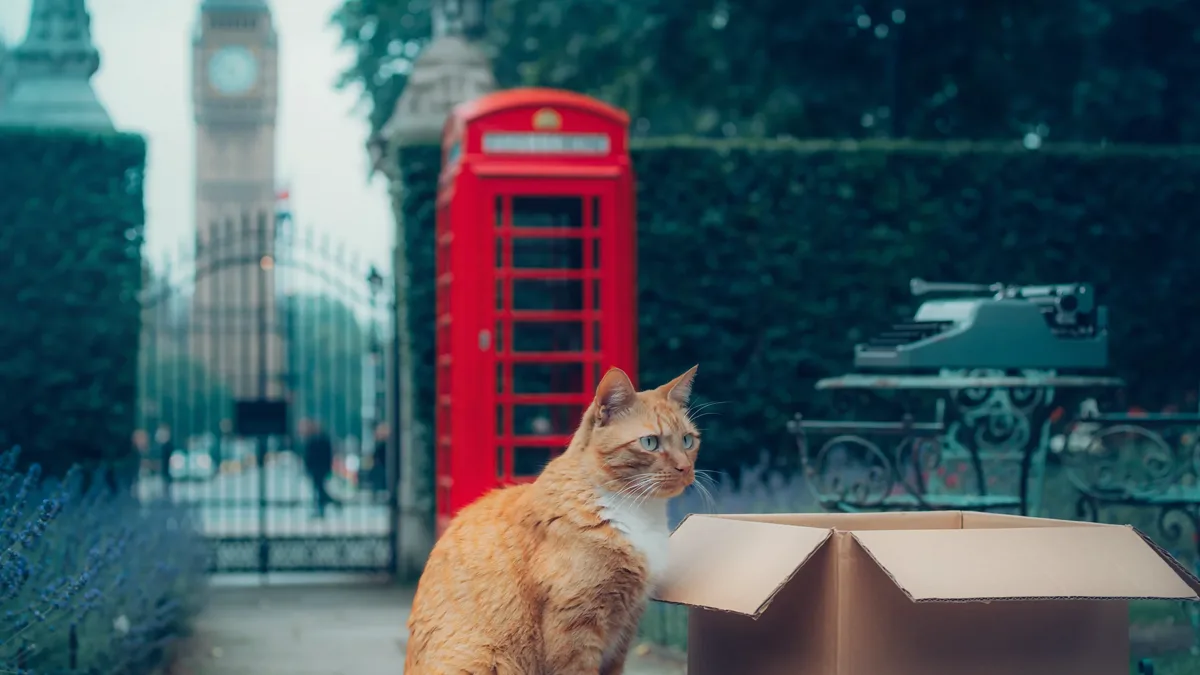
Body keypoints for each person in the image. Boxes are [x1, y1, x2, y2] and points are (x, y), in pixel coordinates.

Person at [299, 418, 337, 517]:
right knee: (319, 489)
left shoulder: (314, 440)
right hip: (319, 468)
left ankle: (325, 506)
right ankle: (327, 504)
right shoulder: (321, 439)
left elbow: (309, 456)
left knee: (319, 489)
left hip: (318, 468)